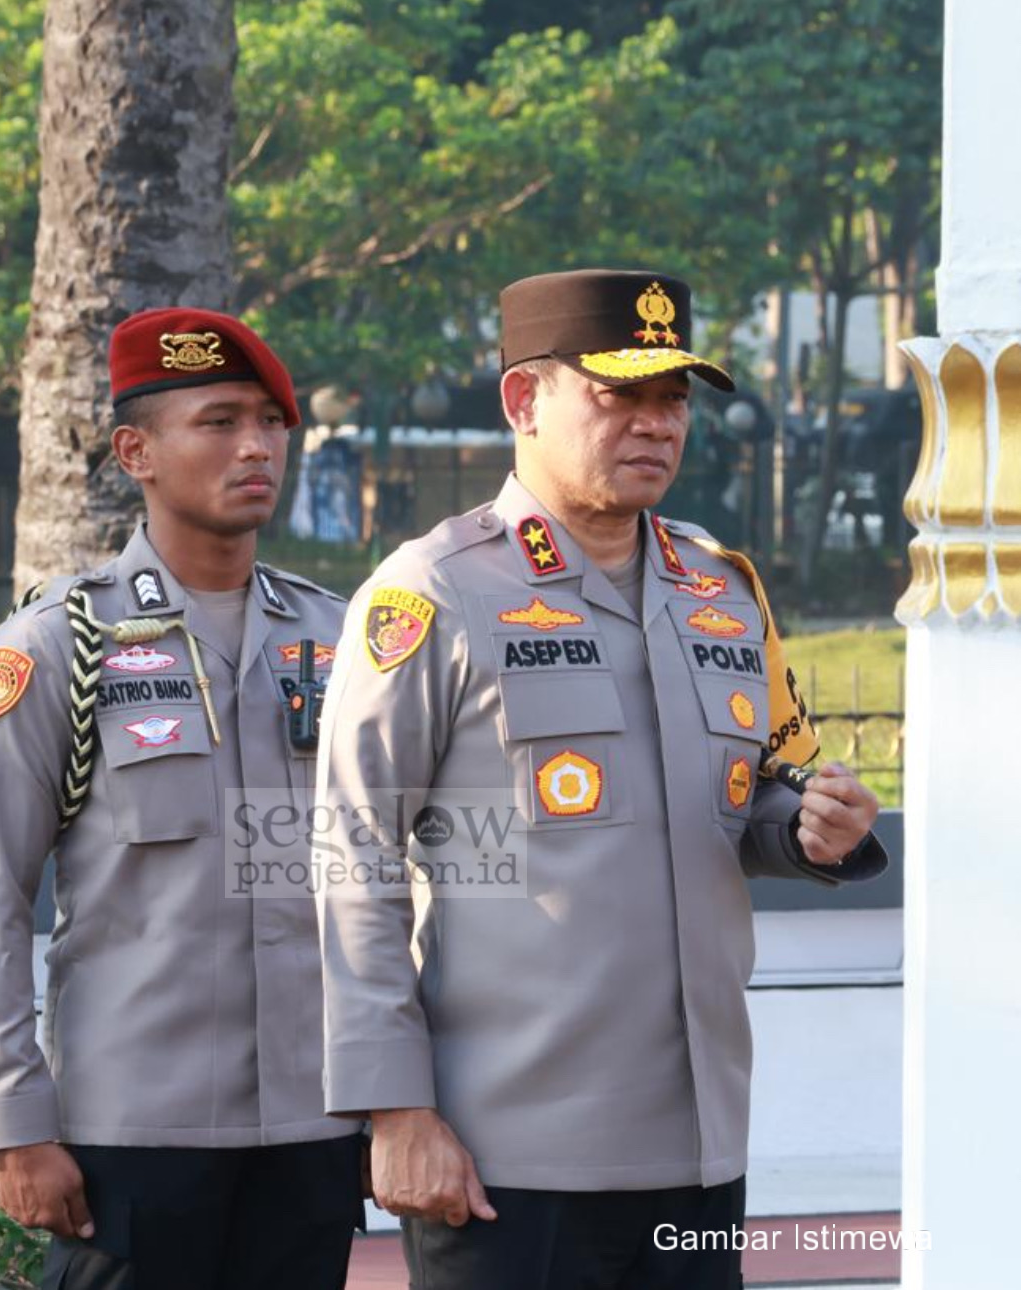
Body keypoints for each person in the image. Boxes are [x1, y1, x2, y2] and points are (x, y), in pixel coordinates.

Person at [314, 269, 887, 1290]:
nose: (657, 425)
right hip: (508, 1158)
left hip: (699, 1144)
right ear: (524, 401)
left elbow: (743, 797)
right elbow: (351, 851)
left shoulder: (719, 587)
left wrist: (809, 827)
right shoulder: (435, 592)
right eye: (618, 395)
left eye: (673, 400)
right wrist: (394, 1111)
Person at [0, 308, 363, 1290]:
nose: (256, 447)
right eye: (219, 422)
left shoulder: (342, 641)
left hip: (312, 1123)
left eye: (270, 423)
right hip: (132, 1135)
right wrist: (13, 1123)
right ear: (135, 451)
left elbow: (399, 877)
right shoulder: (58, 646)